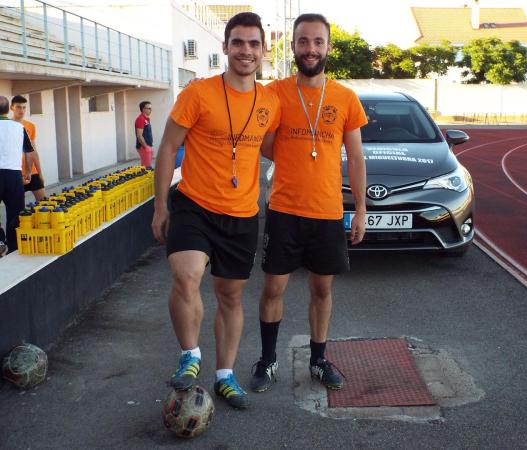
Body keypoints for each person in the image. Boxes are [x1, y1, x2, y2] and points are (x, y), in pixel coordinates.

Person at [151, 12, 280, 409]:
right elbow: (168, 148)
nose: (246, 50)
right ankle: (190, 355)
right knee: (187, 275)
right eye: (238, 42)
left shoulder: (271, 101)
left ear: (263, 50)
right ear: (225, 47)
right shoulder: (198, 93)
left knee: (230, 296)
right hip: (193, 204)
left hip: (242, 214)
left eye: (253, 43)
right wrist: (160, 206)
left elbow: (274, 149)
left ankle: (225, 376)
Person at [250, 13, 367, 393]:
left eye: (318, 42)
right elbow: (260, 141)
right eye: (303, 41)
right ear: (293, 46)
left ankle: (319, 359)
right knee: (273, 290)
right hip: (284, 210)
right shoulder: (275, 92)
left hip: (327, 212)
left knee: (322, 290)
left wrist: (361, 209)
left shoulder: (345, 98)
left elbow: (357, 156)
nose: (311, 49)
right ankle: (268, 361)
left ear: (328, 47)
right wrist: (288, 150)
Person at [0, 95, 34, 256]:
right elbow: (29, 152)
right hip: (14, 175)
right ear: (9, 109)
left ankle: (0, 241)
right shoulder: (19, 128)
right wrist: (27, 173)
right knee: (15, 213)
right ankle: (13, 248)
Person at [11, 95, 46, 201]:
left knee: (44, 203)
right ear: (12, 107)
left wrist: (40, 173)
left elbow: (34, 151)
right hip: (16, 173)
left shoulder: (30, 126)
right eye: (18, 107)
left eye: (24, 107)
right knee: (18, 208)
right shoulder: (7, 126)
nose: (21, 110)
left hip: (32, 171)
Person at [135, 101, 153, 167]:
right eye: (149, 108)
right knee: (147, 167)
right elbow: (139, 136)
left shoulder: (146, 119)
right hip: (143, 147)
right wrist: (146, 147)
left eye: (151, 108)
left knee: (145, 167)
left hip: (148, 146)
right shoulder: (140, 119)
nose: (151, 110)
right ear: (143, 109)